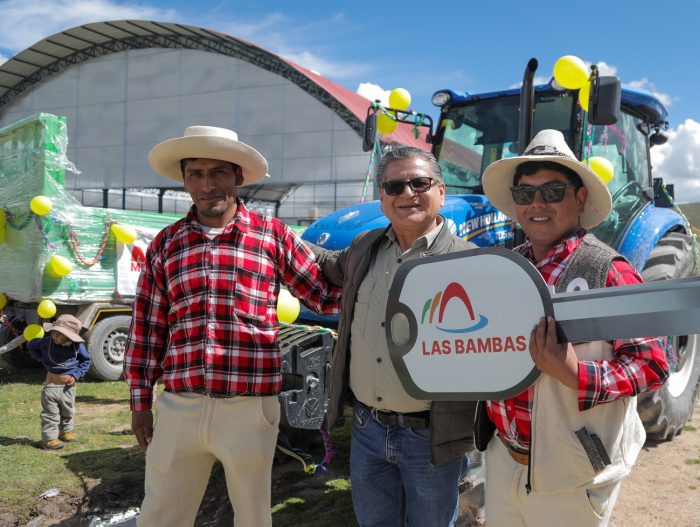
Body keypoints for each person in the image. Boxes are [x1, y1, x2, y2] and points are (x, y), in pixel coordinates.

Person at [123, 126, 341, 527]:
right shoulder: (166, 244)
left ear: (238, 176)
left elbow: (323, 296)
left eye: (218, 172)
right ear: (184, 180)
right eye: (196, 174)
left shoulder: (271, 236)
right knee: (159, 516)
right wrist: (140, 402)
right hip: (180, 406)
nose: (207, 185)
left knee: (253, 517)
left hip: (250, 407)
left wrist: (379, 270)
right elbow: (147, 327)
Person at [478, 129, 670, 527]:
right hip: (501, 460)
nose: (536, 204)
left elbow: (652, 361)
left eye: (552, 192)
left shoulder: (608, 271)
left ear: (579, 198)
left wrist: (573, 373)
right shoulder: (504, 269)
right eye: (525, 193)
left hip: (571, 471)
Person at [313, 145, 477, 527]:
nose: (407, 193)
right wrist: (268, 233)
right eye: (395, 185)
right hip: (368, 430)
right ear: (382, 198)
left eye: (419, 182)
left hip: (431, 437)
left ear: (441, 191)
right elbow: (322, 264)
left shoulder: (470, 263)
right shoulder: (363, 249)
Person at [26, 314, 91, 450]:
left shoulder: (77, 347)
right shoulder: (45, 342)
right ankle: (49, 439)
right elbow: (30, 345)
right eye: (54, 332)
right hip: (51, 387)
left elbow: (86, 361)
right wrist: (41, 358)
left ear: (69, 336)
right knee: (50, 414)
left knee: (67, 412)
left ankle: (66, 432)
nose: (55, 337)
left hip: (68, 388)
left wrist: (77, 375)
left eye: (59, 335)